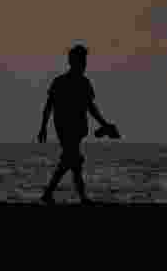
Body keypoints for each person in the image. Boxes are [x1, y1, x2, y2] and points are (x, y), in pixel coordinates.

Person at [37, 44, 115, 205]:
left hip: (78, 129)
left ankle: (52, 194)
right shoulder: (60, 82)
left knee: (72, 161)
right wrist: (43, 127)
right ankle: (77, 197)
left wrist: (104, 124)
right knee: (73, 160)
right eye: (81, 61)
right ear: (73, 62)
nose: (84, 64)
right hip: (65, 129)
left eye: (85, 61)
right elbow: (49, 106)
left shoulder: (84, 83)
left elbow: (91, 108)